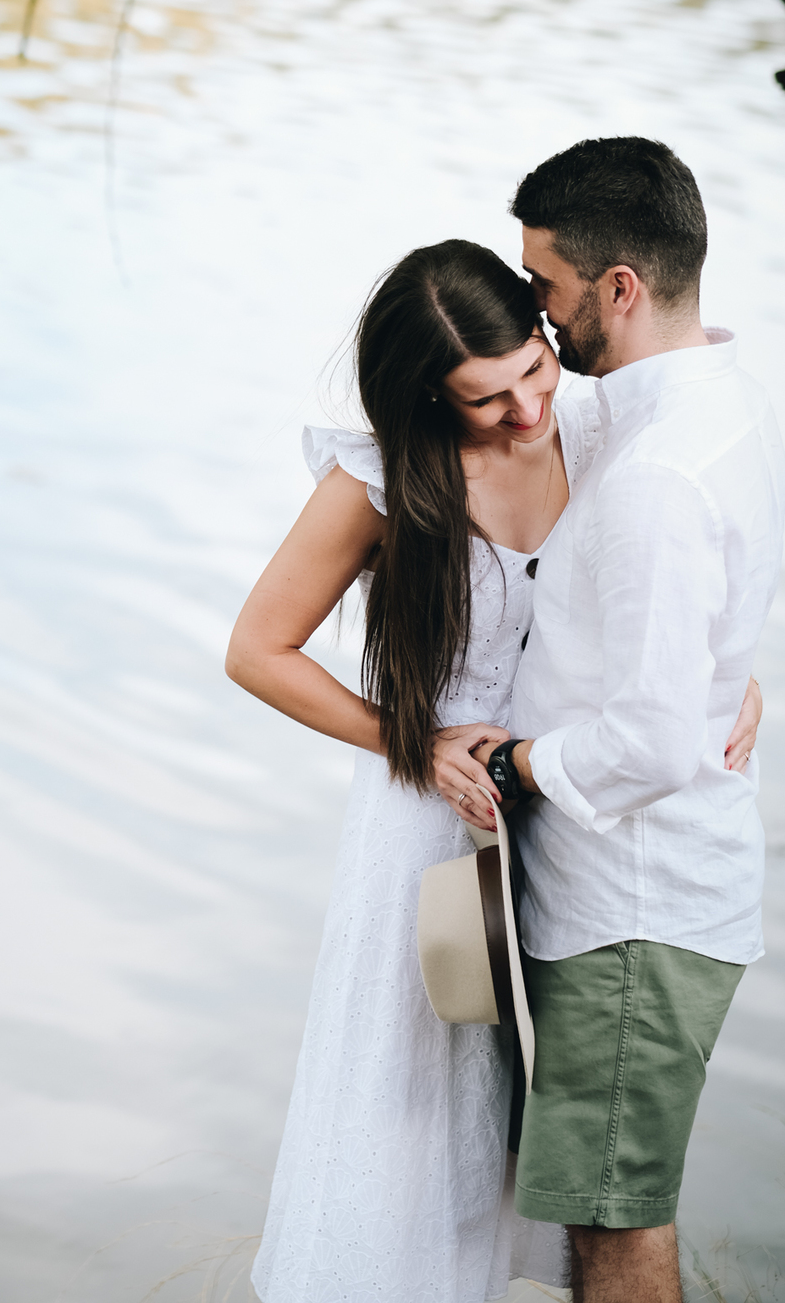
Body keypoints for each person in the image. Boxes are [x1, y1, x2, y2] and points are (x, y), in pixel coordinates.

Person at [225, 235, 763, 1303]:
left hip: (568, 811)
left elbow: (678, 574)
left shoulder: (600, 431)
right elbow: (257, 650)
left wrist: (728, 676)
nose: (527, 410)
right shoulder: (384, 477)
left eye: (533, 369)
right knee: (412, 1107)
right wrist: (412, 739)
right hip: (435, 825)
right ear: (432, 395)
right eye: (488, 399)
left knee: (533, 1124)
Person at [442, 138, 784, 1303]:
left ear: (620, 286)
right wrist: (730, 678)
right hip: (642, 896)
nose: (535, 309)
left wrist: (516, 760)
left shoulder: (654, 474)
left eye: (546, 283)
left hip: (632, 911)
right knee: (603, 1211)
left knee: (613, 1225)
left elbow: (648, 744)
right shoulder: (717, 404)